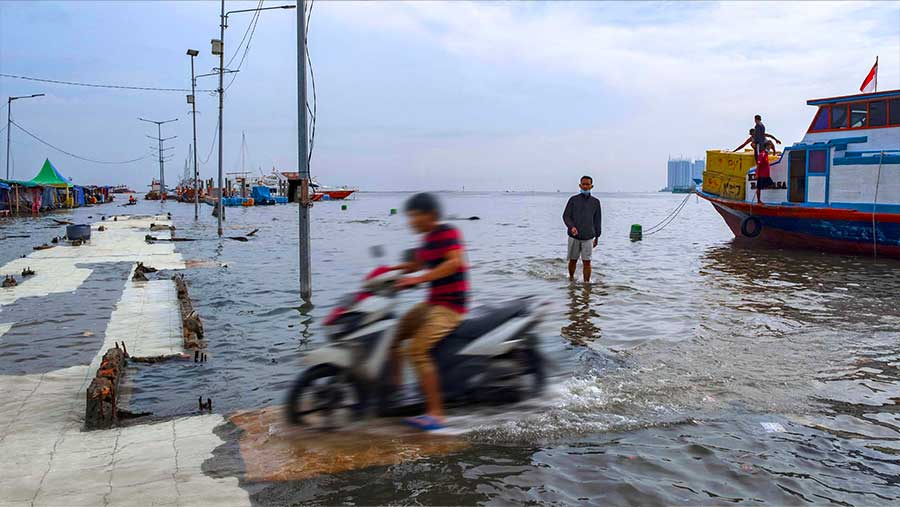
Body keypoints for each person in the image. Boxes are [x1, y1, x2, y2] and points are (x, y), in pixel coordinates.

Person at [389, 192, 468, 431]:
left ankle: (436, 414)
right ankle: (396, 392)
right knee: (393, 336)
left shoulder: (448, 233)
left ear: (430, 215)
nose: (410, 221)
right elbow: (416, 264)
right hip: (433, 304)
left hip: (450, 307)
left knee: (416, 350)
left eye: (414, 216)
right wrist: (389, 272)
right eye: (409, 217)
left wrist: (419, 278)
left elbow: (454, 262)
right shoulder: (427, 240)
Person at [563, 176, 602, 283]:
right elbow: (566, 216)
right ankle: (571, 279)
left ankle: (586, 284)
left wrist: (597, 237)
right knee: (573, 260)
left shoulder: (595, 202)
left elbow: (597, 220)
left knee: (587, 262)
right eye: (583, 184)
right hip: (574, 236)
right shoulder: (573, 200)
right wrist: (572, 227)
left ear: (591, 186)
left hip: (588, 236)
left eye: (587, 184)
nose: (585, 186)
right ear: (580, 185)